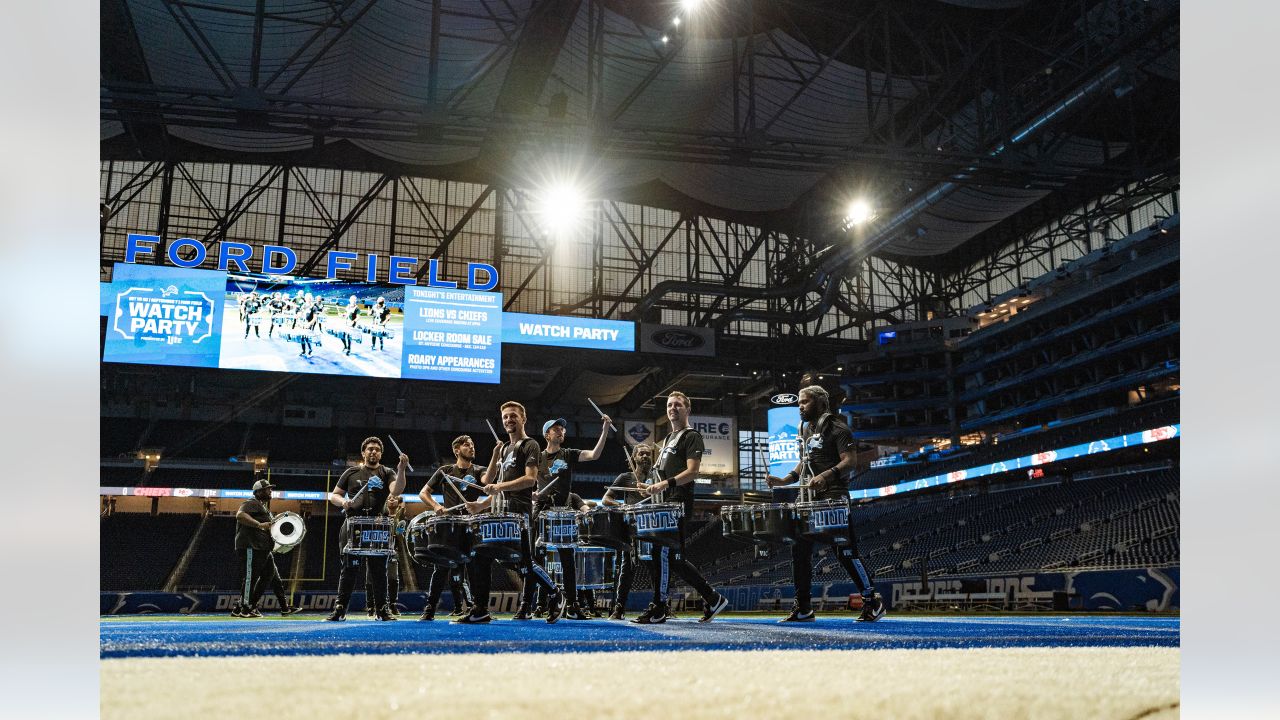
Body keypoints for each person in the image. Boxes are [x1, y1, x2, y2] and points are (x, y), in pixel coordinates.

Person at [767, 385, 884, 623]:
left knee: (845, 552)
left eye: (805, 402)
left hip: (833, 500)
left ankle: (873, 601)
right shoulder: (805, 428)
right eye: (798, 402)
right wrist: (785, 480)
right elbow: (805, 462)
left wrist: (826, 475)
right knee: (799, 552)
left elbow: (850, 461)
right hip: (808, 502)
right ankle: (804, 607)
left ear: (821, 403)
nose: (800, 406)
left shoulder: (837, 428)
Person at [455, 402, 565, 624]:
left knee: (523, 563)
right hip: (502, 513)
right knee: (480, 555)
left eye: (513, 415)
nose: (508, 420)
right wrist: (480, 505)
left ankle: (556, 593)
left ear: (523, 419)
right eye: (505, 417)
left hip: (520, 515)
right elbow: (489, 482)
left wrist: (498, 488)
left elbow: (530, 479)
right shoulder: (505, 449)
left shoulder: (530, 445)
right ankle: (480, 609)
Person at [632, 392, 729, 624]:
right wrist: (649, 488)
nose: (672, 408)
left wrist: (665, 484)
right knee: (672, 558)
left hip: (678, 503)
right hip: (665, 503)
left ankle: (659, 607)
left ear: (688, 409)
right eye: (669, 405)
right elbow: (660, 475)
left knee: (663, 553)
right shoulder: (666, 440)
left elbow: (692, 472)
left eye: (677, 404)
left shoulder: (691, 436)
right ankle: (713, 598)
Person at [529, 414, 611, 620]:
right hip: (541, 510)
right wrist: (532, 493)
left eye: (562, 429)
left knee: (567, 560)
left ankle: (573, 605)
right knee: (535, 559)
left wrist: (605, 430)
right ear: (547, 434)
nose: (561, 431)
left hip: (563, 511)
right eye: (556, 429)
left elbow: (594, 455)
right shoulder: (537, 456)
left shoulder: (568, 454)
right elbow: (527, 480)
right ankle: (535, 604)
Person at [324, 437, 408, 621]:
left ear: (381, 453)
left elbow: (397, 491)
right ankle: (340, 609)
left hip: (377, 524)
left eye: (377, 449)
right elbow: (334, 496)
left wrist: (401, 469)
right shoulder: (351, 472)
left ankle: (382, 610)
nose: (373, 452)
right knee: (349, 568)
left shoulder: (387, 472)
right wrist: (343, 502)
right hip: (354, 524)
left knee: (378, 570)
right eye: (370, 449)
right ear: (363, 452)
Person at [415, 435, 485, 621]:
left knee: (473, 568)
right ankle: (430, 609)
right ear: (456, 450)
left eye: (472, 444)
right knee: (441, 568)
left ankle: (476, 608)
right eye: (467, 445)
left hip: (472, 524)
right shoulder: (445, 471)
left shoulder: (479, 471)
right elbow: (423, 493)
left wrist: (481, 505)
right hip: (450, 525)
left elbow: (494, 489)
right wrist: (436, 506)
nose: (471, 447)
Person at [600, 442, 656, 620]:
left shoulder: (657, 478)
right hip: (631, 529)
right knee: (627, 570)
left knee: (656, 569)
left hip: (652, 529)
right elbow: (606, 499)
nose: (645, 457)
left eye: (648, 454)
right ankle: (619, 608)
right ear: (634, 457)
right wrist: (622, 505)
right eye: (641, 454)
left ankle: (660, 605)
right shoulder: (625, 477)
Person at [231, 477, 299, 617]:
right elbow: (240, 515)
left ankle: (248, 606)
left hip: (263, 548)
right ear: (259, 492)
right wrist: (258, 524)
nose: (271, 491)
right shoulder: (251, 502)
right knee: (251, 577)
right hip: (251, 546)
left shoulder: (263, 507)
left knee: (270, 576)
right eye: (268, 489)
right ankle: (245, 607)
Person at [366, 494, 407, 618]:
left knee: (393, 578)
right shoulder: (378, 513)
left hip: (391, 550)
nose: (392, 499)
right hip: (375, 549)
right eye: (389, 498)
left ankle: (393, 605)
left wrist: (400, 530)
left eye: (395, 498)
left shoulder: (400, 518)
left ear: (399, 503)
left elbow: (400, 537)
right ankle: (371, 607)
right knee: (370, 578)